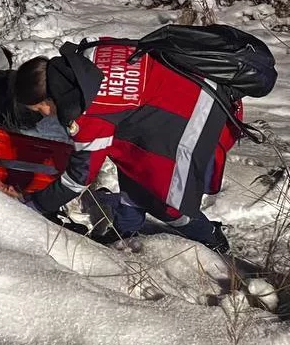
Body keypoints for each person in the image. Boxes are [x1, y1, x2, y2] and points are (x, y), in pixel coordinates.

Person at [14, 41, 233, 252]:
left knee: (167, 200)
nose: (41, 115)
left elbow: (79, 178)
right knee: (133, 170)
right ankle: (126, 231)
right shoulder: (84, 59)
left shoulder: (89, 111)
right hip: (190, 92)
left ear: (49, 99)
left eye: (38, 108)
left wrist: (36, 206)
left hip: (199, 119)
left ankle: (211, 236)